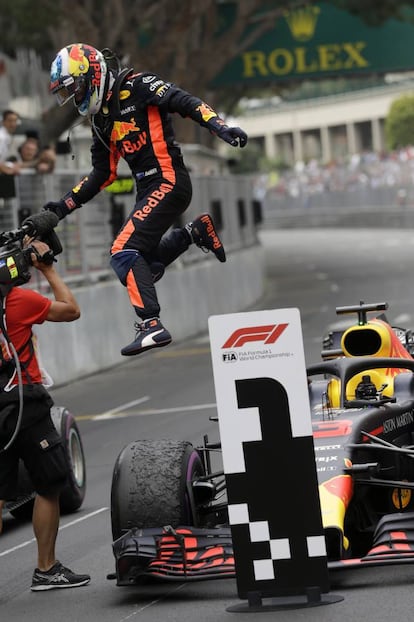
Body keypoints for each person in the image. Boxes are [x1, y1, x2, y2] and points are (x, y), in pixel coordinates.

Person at [45, 43, 248, 356]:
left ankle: (151, 325)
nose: (76, 98)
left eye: (77, 88)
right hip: (149, 190)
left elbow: (186, 102)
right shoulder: (100, 120)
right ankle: (194, 233)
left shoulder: (138, 85)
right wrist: (59, 209)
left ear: (94, 73)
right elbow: (103, 175)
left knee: (122, 252)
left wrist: (220, 127)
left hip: (168, 180)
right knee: (145, 267)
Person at [0, 238, 90, 591]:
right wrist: (48, 269)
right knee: (49, 484)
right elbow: (71, 309)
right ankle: (46, 569)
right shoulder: (18, 301)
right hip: (25, 406)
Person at [0, 109, 21, 176]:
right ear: (3, 122)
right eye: (10, 120)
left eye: (15, 121)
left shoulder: (8, 137)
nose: (13, 124)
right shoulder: (1, 137)